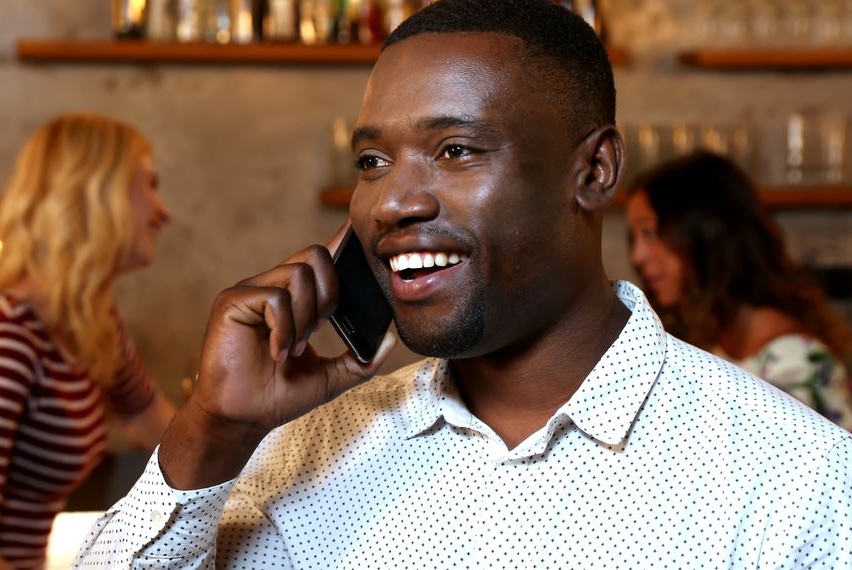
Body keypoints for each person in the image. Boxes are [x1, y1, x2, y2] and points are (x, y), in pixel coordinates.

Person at [77, 1, 852, 567]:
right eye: (372, 162)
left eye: (455, 150)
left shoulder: (793, 480)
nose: (392, 202)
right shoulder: (302, 458)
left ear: (593, 170)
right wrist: (210, 432)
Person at [0, 113, 177, 570]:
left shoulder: (92, 325)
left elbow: (153, 422)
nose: (163, 210)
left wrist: (266, 464)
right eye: (149, 185)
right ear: (98, 194)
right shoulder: (8, 340)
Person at [626, 151, 852, 430]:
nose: (638, 256)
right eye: (634, 237)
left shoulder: (795, 364)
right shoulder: (709, 341)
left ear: (705, 233)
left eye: (650, 233)